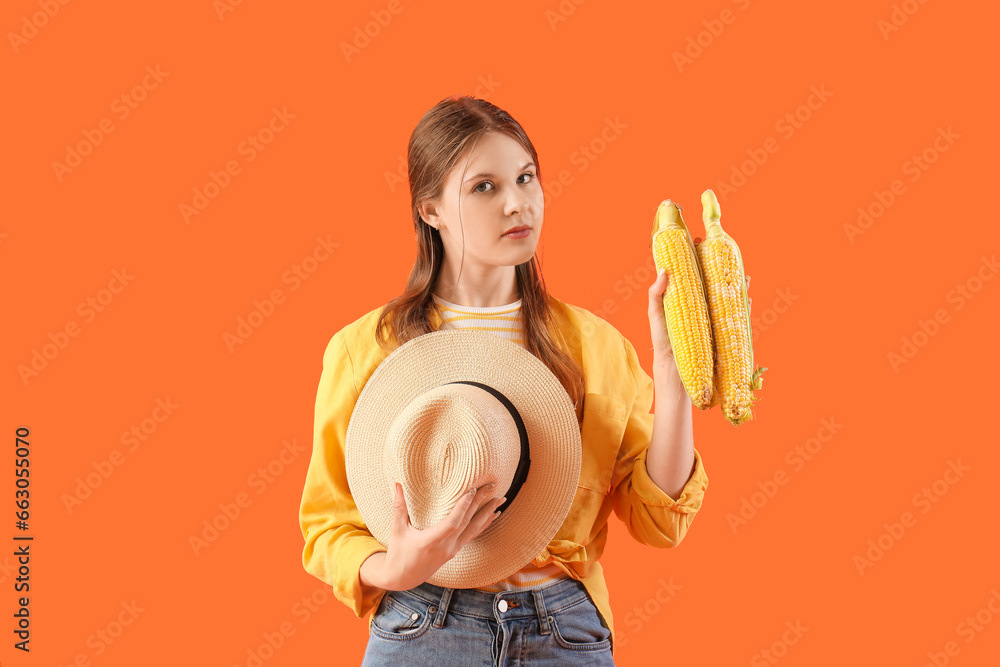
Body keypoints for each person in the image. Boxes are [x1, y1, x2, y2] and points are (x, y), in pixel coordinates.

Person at [297, 95, 710, 665]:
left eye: (526, 178)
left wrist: (674, 370)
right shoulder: (367, 350)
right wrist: (395, 567)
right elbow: (328, 525)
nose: (518, 204)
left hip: (562, 630)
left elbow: (658, 519)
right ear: (431, 210)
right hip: (423, 623)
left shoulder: (595, 346)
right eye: (484, 187)